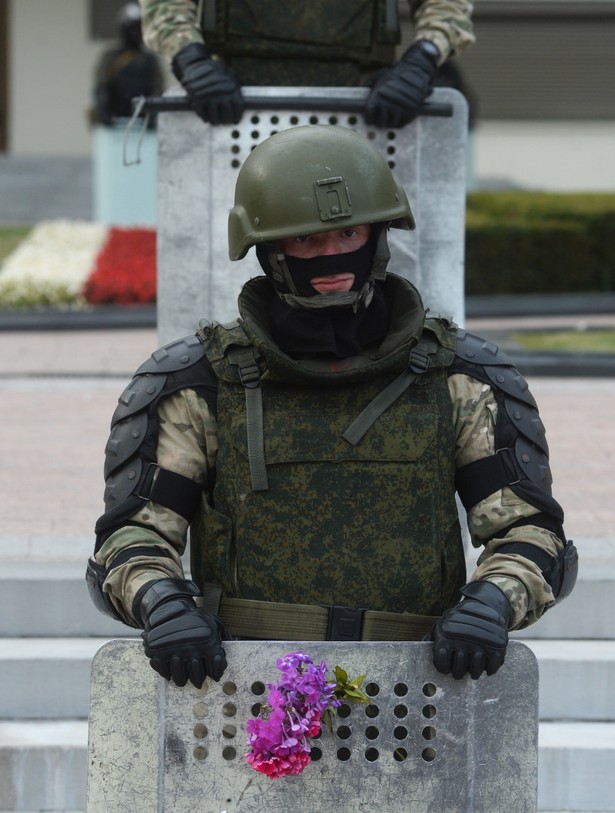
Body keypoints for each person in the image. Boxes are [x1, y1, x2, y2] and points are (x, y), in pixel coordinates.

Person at [87, 124, 577, 689]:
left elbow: (529, 529)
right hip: (246, 689)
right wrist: (163, 603)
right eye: (305, 242)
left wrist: (493, 602)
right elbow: (134, 535)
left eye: (348, 234)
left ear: (378, 235)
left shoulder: (459, 377)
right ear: (269, 252)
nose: (330, 257)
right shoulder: (199, 382)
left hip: (420, 685)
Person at [137, 0, 475, 126]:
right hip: (233, 104)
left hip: (364, 111)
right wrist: (190, 59)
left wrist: (421, 61)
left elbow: (446, 6)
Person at [91, 2, 165, 128]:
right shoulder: (110, 57)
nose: (136, 34)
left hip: (144, 124)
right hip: (114, 123)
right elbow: (102, 87)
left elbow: (157, 89)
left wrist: (153, 116)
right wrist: (104, 113)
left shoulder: (150, 60)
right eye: (132, 29)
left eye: (139, 29)